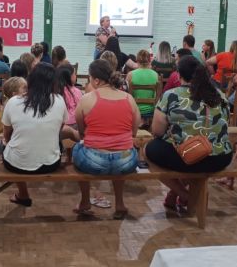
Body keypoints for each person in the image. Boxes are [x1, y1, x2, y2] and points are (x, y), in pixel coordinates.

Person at [146, 56, 233, 212]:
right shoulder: (219, 94)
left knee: (148, 152)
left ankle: (184, 194)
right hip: (219, 156)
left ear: (179, 75)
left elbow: (157, 131)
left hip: (192, 156)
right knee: (187, 153)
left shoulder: (172, 95)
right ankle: (174, 195)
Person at [73, 59, 140, 219]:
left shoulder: (86, 99)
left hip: (93, 161)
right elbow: (134, 132)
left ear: (96, 80)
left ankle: (84, 201)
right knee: (122, 153)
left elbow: (82, 132)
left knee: (78, 147)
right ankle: (120, 203)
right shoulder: (128, 99)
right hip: (126, 160)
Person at [0, 63, 68, 207]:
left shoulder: (13, 102)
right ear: (53, 82)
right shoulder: (60, 101)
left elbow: (6, 134)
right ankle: (23, 194)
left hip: (16, 164)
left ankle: (23, 194)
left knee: (9, 146)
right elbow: (59, 130)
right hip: (50, 163)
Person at [126, 49, 159, 124]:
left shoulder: (130, 75)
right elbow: (157, 95)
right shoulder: (156, 75)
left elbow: (127, 94)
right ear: (149, 61)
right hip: (151, 110)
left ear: (137, 60)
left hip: (135, 109)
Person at [55, 63, 83, 132]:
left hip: (60, 125)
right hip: (75, 125)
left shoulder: (55, 91)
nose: (75, 76)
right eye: (74, 74)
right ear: (69, 77)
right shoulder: (77, 91)